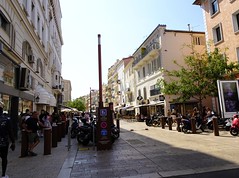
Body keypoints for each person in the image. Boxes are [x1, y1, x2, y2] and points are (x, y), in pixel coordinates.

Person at [0, 101, 15, 178]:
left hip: (4, 141)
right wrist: (13, 142)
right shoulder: (6, 119)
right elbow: (10, 132)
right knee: (4, 158)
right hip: (3, 142)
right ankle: (3, 174)